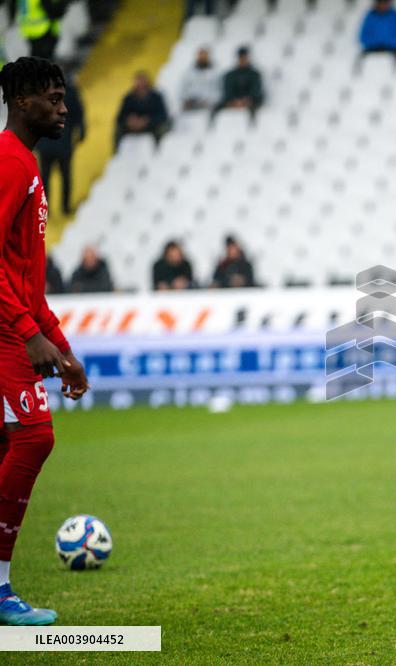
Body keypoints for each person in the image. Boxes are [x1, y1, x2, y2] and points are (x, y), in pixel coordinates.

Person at [0, 56, 89, 626]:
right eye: (53, 99)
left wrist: (61, 347)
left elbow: (26, 279)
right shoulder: (9, 163)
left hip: (16, 325)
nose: (63, 108)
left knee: (8, 445)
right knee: (34, 437)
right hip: (4, 331)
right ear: (22, 101)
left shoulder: (25, 163)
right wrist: (30, 334)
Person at [36, 70, 84, 215]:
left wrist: (81, 130)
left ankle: (61, 207)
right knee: (49, 178)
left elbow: (78, 115)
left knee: (58, 176)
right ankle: (55, 209)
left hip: (58, 142)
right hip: (52, 143)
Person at [114, 71, 169, 149]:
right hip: (133, 127)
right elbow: (119, 117)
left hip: (151, 126)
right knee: (118, 129)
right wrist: (129, 120)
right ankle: (117, 152)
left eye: (142, 82)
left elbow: (163, 115)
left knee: (163, 128)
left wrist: (148, 120)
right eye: (138, 82)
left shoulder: (156, 97)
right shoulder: (128, 98)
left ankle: (159, 151)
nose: (141, 85)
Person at [215, 46, 263, 118]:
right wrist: (234, 101)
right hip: (232, 102)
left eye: (245, 58)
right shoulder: (230, 75)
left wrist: (246, 100)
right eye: (241, 58)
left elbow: (256, 90)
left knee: (255, 105)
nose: (243, 60)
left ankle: (252, 123)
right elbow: (227, 90)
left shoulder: (255, 74)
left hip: (251, 102)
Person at [179, 47, 220, 112]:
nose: (203, 57)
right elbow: (182, 89)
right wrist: (186, 100)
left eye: (205, 55)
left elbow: (218, 90)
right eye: (201, 55)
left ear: (208, 56)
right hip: (191, 104)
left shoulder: (216, 72)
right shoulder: (188, 72)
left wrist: (210, 101)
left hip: (209, 105)